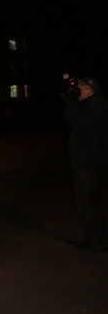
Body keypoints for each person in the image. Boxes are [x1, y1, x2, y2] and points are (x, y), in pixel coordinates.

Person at [64, 75, 108, 251]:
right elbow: (72, 120)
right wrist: (73, 102)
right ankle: (93, 236)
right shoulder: (89, 104)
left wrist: (72, 104)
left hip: (91, 161)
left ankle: (99, 239)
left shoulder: (98, 105)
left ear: (91, 90)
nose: (78, 89)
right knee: (82, 199)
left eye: (81, 87)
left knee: (90, 201)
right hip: (84, 160)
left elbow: (82, 126)